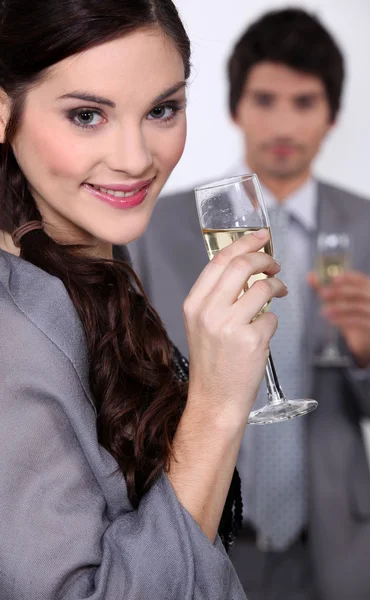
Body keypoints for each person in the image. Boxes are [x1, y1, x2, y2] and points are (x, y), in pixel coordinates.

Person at [0, 0, 290, 598]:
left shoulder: (96, 257)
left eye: (162, 109)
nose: (136, 160)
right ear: (4, 114)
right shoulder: (13, 327)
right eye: (87, 115)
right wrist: (214, 405)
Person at [128, 8, 370, 600]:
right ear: (234, 107)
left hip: (339, 551)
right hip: (202, 542)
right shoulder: (153, 229)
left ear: (332, 115)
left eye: (304, 102)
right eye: (265, 99)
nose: (283, 122)